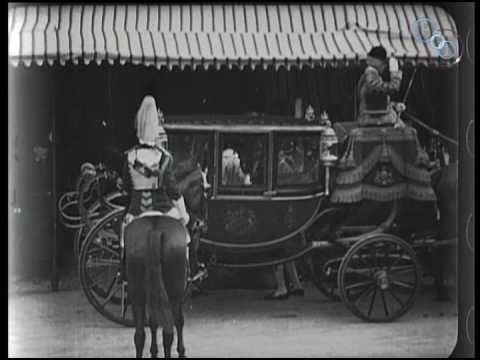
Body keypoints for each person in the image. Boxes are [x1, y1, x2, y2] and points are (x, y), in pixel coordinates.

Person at [121, 95, 205, 281]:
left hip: (137, 211)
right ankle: (190, 271)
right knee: (187, 233)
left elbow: (127, 187)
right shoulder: (164, 158)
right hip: (163, 210)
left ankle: (124, 273)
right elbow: (174, 191)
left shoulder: (129, 157)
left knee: (124, 235)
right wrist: (184, 215)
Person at [357, 46, 406, 128]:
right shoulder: (370, 74)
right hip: (374, 120)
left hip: (375, 118)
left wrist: (394, 105)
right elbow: (389, 88)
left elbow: (376, 100)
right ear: (381, 63)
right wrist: (395, 75)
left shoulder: (372, 75)